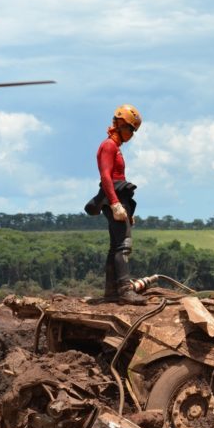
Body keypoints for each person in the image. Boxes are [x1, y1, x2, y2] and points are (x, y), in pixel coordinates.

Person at [90, 104, 146, 305]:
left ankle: (111, 291)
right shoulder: (108, 146)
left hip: (119, 196)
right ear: (121, 124)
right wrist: (114, 204)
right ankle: (124, 290)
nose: (132, 134)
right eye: (131, 129)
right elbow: (105, 176)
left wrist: (126, 208)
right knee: (124, 245)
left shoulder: (115, 147)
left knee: (116, 245)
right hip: (113, 197)